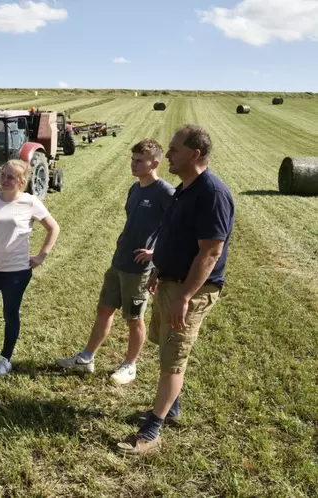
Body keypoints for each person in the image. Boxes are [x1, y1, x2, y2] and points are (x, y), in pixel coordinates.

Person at [117, 124, 234, 456]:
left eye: (174, 150)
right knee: (166, 350)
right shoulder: (186, 189)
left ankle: (152, 432)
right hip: (171, 281)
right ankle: (172, 409)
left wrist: (184, 296)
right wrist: (159, 270)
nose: (166, 154)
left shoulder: (212, 193)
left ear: (194, 154)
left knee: (173, 361)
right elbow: (174, 237)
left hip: (191, 290)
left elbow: (210, 251)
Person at [56, 139, 175, 384]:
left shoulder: (165, 192)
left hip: (139, 269)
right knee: (104, 309)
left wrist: (156, 255)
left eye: (139, 161)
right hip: (119, 261)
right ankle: (86, 358)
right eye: (132, 159)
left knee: (134, 318)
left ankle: (130, 365)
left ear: (155, 163)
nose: (133, 164)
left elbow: (177, 229)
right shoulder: (135, 188)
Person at [0, 159, 60, 375]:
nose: (5, 180)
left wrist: (41, 256)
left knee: (10, 314)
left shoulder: (30, 202)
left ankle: (5, 358)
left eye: (10, 177)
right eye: (2, 175)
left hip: (16, 271)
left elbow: (53, 228)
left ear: (21, 181)